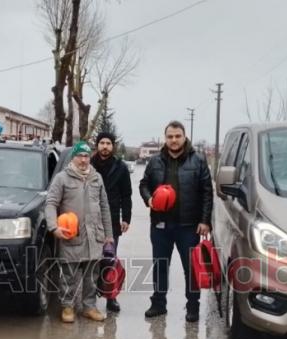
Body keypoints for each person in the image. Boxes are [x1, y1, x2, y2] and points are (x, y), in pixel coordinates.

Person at [139, 121, 213, 322]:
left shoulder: (198, 160)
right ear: (165, 138)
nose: (174, 140)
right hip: (160, 225)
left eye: (177, 136)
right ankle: (158, 303)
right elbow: (144, 184)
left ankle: (193, 306)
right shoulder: (155, 161)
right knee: (160, 266)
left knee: (191, 268)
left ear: (184, 136)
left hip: (188, 226)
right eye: (170, 136)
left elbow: (207, 192)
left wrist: (205, 221)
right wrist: (149, 199)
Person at [46, 141, 114, 323]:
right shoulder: (62, 178)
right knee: (68, 275)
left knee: (92, 275)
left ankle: (89, 307)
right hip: (71, 235)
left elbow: (104, 207)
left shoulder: (96, 178)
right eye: (80, 156)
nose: (83, 160)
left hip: (94, 236)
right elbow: (51, 203)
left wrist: (108, 235)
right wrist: (53, 227)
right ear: (73, 157)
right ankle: (67, 306)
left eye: (86, 156)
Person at [90, 131, 133, 313]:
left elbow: (126, 195)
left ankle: (111, 298)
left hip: (112, 220)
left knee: (109, 259)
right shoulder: (88, 164)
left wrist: (126, 218)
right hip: (90, 219)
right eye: (102, 143)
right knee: (90, 260)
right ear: (97, 145)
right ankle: (89, 298)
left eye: (108, 143)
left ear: (112, 146)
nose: (105, 146)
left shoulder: (121, 167)